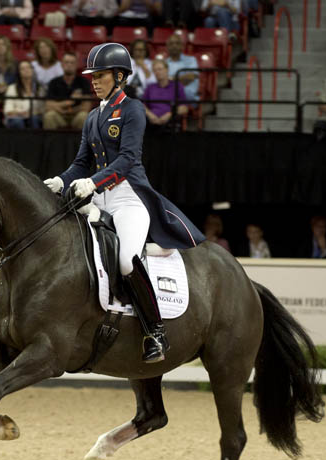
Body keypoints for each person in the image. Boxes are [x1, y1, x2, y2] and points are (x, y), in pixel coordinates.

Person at [43, 43, 205, 363]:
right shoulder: (92, 117)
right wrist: (61, 180)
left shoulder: (132, 110)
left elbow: (128, 159)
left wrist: (93, 182)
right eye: (92, 76)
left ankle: (154, 333)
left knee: (128, 259)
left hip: (129, 196)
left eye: (100, 75)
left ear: (119, 76)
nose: (94, 81)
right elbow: (81, 161)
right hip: (100, 196)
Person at [43, 51, 91, 130]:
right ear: (62, 65)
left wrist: (71, 110)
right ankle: (51, 142)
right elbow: (48, 105)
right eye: (66, 62)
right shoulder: (54, 82)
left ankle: (82, 142)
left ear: (76, 65)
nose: (69, 65)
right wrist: (70, 101)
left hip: (76, 115)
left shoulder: (83, 82)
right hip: (59, 115)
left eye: (72, 63)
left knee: (83, 116)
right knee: (49, 116)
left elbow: (86, 106)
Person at [141, 58, 188, 129]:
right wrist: (150, 115)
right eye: (155, 70)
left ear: (167, 70)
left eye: (160, 69)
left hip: (171, 120)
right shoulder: (150, 87)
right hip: (150, 121)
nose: (157, 72)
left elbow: (184, 108)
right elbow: (142, 105)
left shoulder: (177, 86)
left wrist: (169, 115)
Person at [4, 59, 43, 128]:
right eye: (22, 69)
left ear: (32, 70)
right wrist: (20, 113)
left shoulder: (39, 88)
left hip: (34, 116)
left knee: (34, 119)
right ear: (18, 72)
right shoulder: (12, 88)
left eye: (28, 67)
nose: (26, 70)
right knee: (18, 121)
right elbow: (8, 109)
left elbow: (43, 108)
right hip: (16, 117)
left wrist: (31, 113)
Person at [165, 32, 199, 102]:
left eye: (177, 43)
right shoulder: (164, 63)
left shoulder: (191, 60)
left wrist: (170, 80)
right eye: (171, 44)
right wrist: (181, 79)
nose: (174, 46)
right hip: (168, 97)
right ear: (167, 47)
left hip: (188, 97)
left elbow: (191, 77)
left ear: (182, 46)